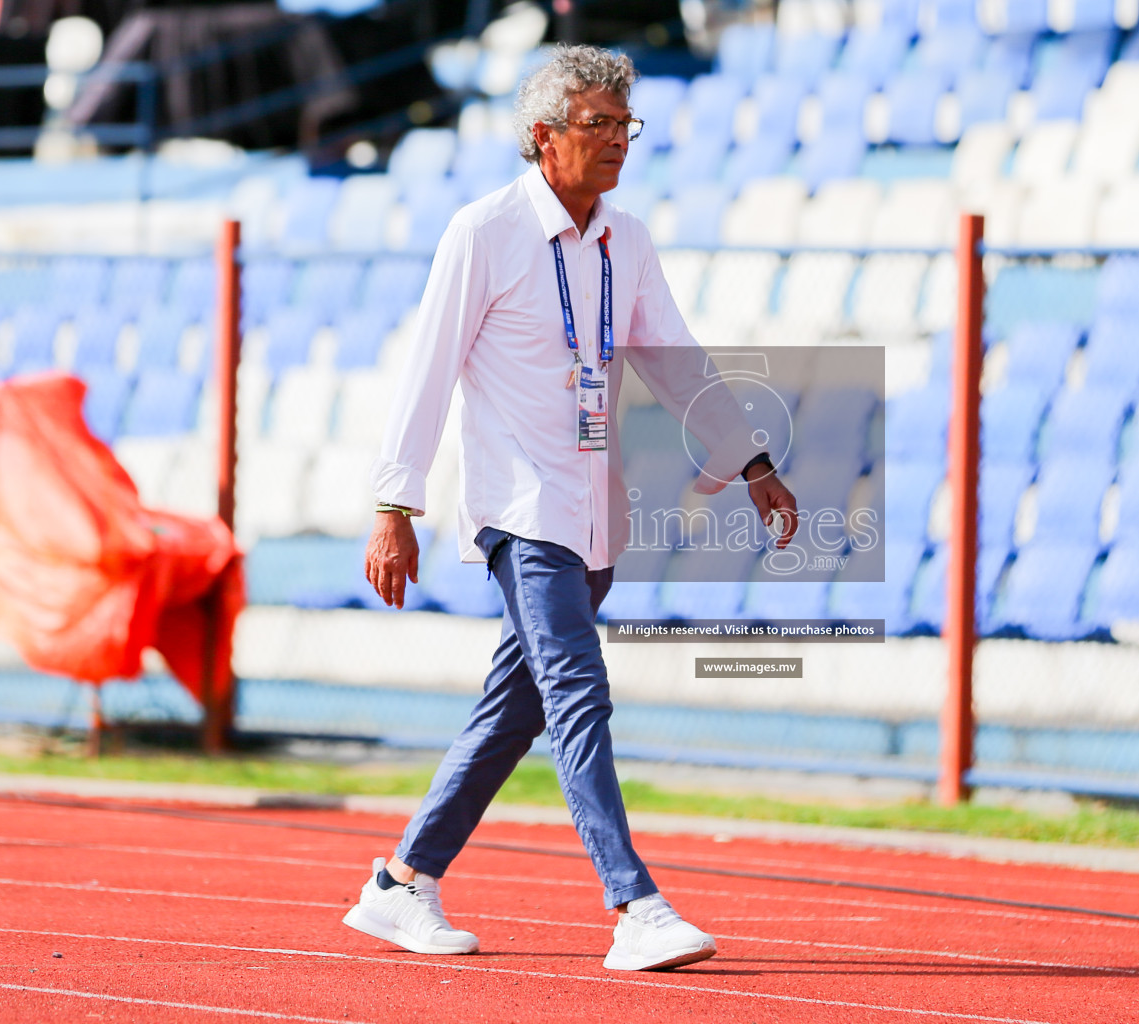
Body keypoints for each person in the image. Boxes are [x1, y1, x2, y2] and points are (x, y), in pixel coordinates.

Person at [341, 45, 798, 972]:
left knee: (516, 709)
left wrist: (751, 461)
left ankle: (401, 884)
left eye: (624, 126)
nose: (617, 143)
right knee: (578, 691)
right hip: (520, 513)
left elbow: (673, 357)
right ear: (543, 137)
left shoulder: (625, 240)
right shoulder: (484, 232)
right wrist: (396, 503)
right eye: (596, 125)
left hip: (595, 514)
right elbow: (427, 369)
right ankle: (634, 904)